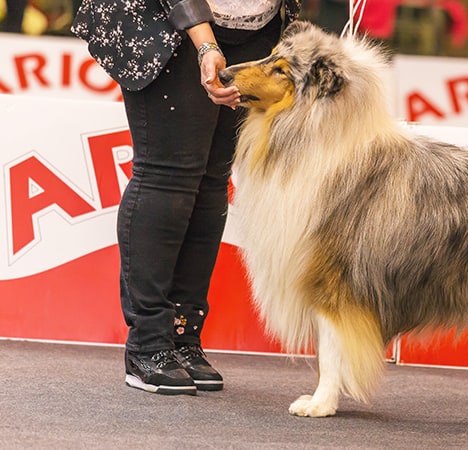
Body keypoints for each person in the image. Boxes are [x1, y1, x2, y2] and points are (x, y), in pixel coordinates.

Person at [71, 0, 301, 395]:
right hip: (165, 23)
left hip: (254, 26)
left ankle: (183, 336)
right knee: (168, 175)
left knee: (212, 182)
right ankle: (148, 343)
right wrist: (206, 45)